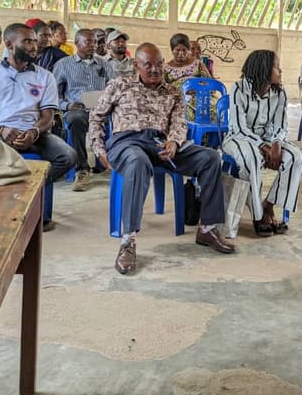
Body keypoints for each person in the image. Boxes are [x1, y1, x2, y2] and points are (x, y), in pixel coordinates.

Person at [89, 43, 235, 275]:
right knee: (138, 162)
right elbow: (96, 117)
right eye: (148, 65)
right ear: (137, 65)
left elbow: (179, 123)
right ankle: (128, 241)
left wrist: (174, 142)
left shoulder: (173, 92)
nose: (155, 70)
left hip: (160, 144)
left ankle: (207, 227)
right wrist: (99, 150)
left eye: (159, 64)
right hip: (127, 142)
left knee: (210, 157)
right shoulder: (119, 84)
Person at [0, 23, 77, 232]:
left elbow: (48, 116)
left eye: (35, 41)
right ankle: (0, 208)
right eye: (27, 41)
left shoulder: (45, 76)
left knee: (68, 156)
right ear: (9, 44)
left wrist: (34, 132)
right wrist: (1, 130)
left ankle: (26, 194)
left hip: (34, 132)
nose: (34, 46)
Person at [224, 50, 302, 236]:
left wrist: (276, 144)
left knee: (296, 157)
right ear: (263, 69)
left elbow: (280, 125)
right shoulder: (238, 88)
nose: (280, 70)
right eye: (276, 67)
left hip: (269, 139)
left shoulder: (280, 93)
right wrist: (263, 146)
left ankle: (268, 205)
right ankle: (258, 216)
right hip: (239, 138)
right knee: (250, 157)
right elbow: (238, 127)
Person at [53, 29, 114, 191]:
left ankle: (110, 162)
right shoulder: (63, 65)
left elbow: (115, 87)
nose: (93, 45)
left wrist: (109, 101)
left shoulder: (104, 64)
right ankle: (82, 168)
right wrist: (67, 105)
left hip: (101, 109)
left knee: (122, 118)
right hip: (77, 109)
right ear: (77, 43)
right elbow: (53, 95)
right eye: (88, 42)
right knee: (75, 119)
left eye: (95, 42)